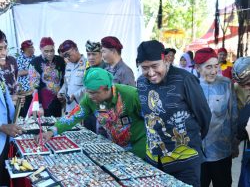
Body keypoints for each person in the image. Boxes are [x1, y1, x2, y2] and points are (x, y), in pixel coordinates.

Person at [136, 40, 211, 187]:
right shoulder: (141, 83)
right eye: (145, 68)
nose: (150, 73)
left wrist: (191, 139)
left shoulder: (185, 79)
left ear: (165, 59)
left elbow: (204, 116)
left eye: (155, 66)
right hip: (153, 159)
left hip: (185, 164)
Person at [41, 68, 146, 159]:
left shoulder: (131, 95)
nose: (90, 96)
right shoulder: (89, 99)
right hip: (117, 148)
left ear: (107, 88)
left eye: (94, 93)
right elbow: (73, 116)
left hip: (140, 148)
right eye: (88, 91)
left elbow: (151, 121)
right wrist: (52, 131)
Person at [194, 47, 238, 187]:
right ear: (197, 68)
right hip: (197, 153)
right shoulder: (191, 86)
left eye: (216, 66)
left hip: (222, 151)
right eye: (208, 67)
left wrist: (235, 144)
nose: (214, 71)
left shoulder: (226, 84)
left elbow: (234, 115)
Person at [0, 30, 24, 186]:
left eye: (4, 47)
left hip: (4, 141)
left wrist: (14, 105)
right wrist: (2, 126)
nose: (3, 53)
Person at [29, 37, 65, 117]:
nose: (50, 54)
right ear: (40, 49)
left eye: (52, 50)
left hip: (58, 101)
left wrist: (63, 95)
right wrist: (38, 104)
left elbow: (64, 80)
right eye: (46, 51)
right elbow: (34, 87)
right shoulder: (34, 63)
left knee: (56, 125)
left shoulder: (60, 60)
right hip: (42, 102)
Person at [232, 57, 250, 187]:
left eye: (248, 84)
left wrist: (236, 140)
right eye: (243, 85)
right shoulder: (238, 88)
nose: (246, 88)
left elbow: (244, 120)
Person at [57, 40, 87, 114]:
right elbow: (66, 83)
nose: (67, 58)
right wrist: (61, 92)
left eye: (68, 54)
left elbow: (89, 87)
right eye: (64, 56)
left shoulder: (87, 64)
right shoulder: (68, 65)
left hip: (81, 108)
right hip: (69, 108)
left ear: (76, 49)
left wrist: (75, 96)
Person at [17, 40, 35, 117]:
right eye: (31, 47)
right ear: (26, 49)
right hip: (25, 92)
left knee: (35, 113)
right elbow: (18, 72)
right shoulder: (19, 59)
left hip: (34, 91)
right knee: (26, 114)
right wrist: (31, 71)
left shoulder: (35, 58)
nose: (33, 48)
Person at [0, 31, 18, 103]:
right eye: (0, 49)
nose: (4, 52)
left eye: (5, 47)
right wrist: (9, 99)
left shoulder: (12, 60)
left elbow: (15, 78)